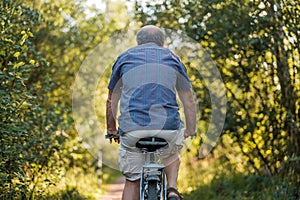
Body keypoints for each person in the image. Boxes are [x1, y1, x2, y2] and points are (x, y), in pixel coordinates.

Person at [106, 25, 196, 200]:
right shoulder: (173, 58)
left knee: (132, 181)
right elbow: (189, 100)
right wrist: (190, 129)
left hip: (132, 129)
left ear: (139, 41)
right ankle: (172, 188)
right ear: (162, 42)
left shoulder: (125, 58)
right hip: (168, 128)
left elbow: (111, 99)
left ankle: (140, 184)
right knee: (171, 153)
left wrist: (111, 129)